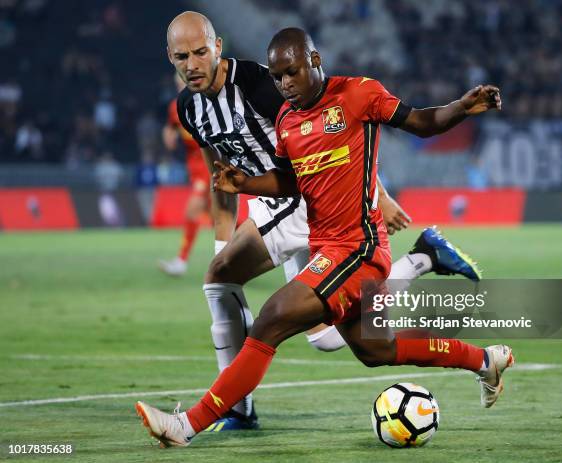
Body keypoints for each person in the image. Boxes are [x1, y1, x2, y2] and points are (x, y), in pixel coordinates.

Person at [135, 27, 513, 447]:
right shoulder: (287, 119)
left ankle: (185, 426)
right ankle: (485, 360)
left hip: (358, 248)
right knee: (376, 350)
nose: (285, 85)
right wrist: (243, 183)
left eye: (291, 73)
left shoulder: (358, 93)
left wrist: (461, 106)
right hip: (326, 246)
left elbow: (420, 121)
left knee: (271, 319)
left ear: (314, 61)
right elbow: (288, 182)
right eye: (278, 78)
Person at [158, 73, 211, 276]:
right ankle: (263, 242)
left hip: (210, 163)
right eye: (178, 82)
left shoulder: (205, 102)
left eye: (183, 81)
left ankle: (181, 261)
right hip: (194, 166)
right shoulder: (175, 107)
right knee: (219, 215)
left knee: (193, 210)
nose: (181, 85)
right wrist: (168, 135)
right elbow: (171, 127)